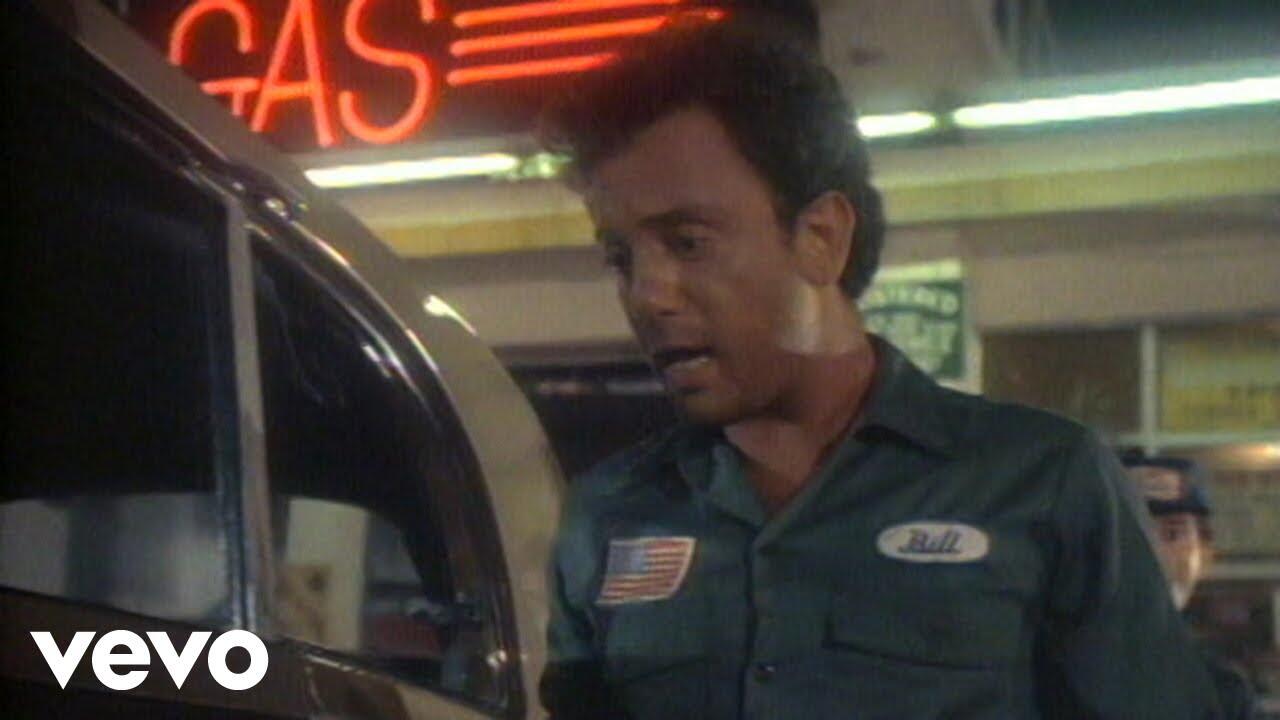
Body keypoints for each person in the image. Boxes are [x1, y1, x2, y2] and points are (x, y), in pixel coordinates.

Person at [538, 18, 1223, 719]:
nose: (646, 295)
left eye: (688, 242)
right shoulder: (607, 515)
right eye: (620, 258)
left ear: (821, 237)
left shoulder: (1043, 481)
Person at [1123, 454, 1259, 718]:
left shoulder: (1222, 692)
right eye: (1136, 534)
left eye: (1173, 534)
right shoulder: (1053, 676)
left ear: (1205, 555)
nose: (1156, 554)